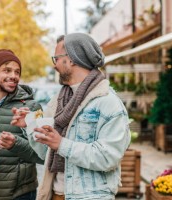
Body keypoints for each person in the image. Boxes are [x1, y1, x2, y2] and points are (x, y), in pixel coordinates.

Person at [11, 33, 131, 200]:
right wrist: (30, 125)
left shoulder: (108, 102)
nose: (54, 66)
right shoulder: (58, 100)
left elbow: (108, 157)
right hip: (55, 194)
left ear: (72, 59)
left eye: (56, 59)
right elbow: (46, 152)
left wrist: (62, 144)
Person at [0, 49, 44, 200]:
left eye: (17, 72)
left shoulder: (33, 107)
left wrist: (15, 144)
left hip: (21, 194)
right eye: (7, 70)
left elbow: (42, 155)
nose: (13, 76)